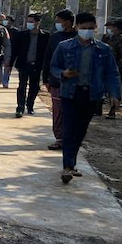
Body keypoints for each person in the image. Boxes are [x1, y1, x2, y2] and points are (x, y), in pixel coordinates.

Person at [51, 12, 122, 184]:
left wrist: (114, 94)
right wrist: (63, 74)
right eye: (84, 28)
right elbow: (54, 66)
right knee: (69, 129)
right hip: (70, 93)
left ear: (95, 28)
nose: (87, 31)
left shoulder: (104, 50)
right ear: (77, 27)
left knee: (80, 131)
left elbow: (111, 74)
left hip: (91, 95)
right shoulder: (64, 47)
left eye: (91, 28)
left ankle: (71, 163)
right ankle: (67, 166)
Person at [41, 9, 76, 149]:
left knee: (73, 111)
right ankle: (59, 138)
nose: (56, 23)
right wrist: (46, 78)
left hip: (75, 82)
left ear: (67, 22)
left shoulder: (78, 38)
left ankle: (71, 138)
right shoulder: (55, 37)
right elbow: (48, 58)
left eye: (58, 21)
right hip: (56, 80)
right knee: (58, 111)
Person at [10, 12, 49, 118]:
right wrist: (10, 64)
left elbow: (48, 52)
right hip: (23, 64)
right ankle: (20, 107)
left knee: (34, 87)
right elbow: (15, 50)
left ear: (38, 22)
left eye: (31, 22)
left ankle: (30, 105)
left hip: (37, 65)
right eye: (28, 21)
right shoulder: (22, 35)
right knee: (22, 85)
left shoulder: (45, 36)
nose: (29, 24)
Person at [103, 18, 122, 118]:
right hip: (106, 67)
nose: (109, 29)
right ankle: (98, 109)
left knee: (114, 89)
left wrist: (118, 68)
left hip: (116, 68)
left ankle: (112, 110)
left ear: (116, 27)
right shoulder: (110, 38)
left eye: (111, 27)